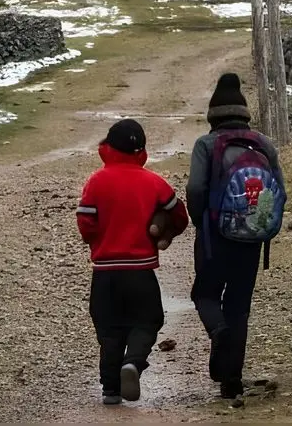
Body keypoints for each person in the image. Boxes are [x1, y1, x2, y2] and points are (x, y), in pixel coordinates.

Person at [185, 73, 287, 399]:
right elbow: (280, 191)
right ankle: (232, 382)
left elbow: (195, 189)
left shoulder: (206, 144)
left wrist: (199, 220)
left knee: (205, 294)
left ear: (212, 115)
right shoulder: (263, 144)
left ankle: (218, 332)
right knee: (239, 307)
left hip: (215, 238)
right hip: (251, 238)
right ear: (245, 113)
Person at [76, 118, 189, 406]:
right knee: (147, 320)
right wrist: (163, 230)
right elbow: (180, 216)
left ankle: (111, 389)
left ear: (108, 148)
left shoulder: (96, 181)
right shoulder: (153, 182)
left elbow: (85, 224)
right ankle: (134, 363)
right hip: (140, 271)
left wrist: (100, 239)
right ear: (141, 151)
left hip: (104, 274)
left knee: (109, 329)